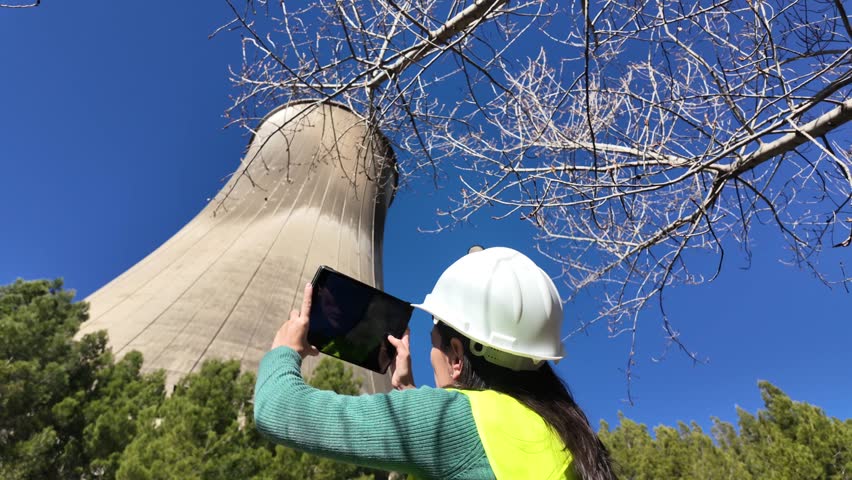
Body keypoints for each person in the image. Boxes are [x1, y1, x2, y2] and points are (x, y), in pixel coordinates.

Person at [254, 247, 617, 479]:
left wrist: (285, 349)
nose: (432, 355)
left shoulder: (446, 419)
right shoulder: (565, 434)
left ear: (457, 356)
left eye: (434, 343)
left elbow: (279, 411)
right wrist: (408, 391)